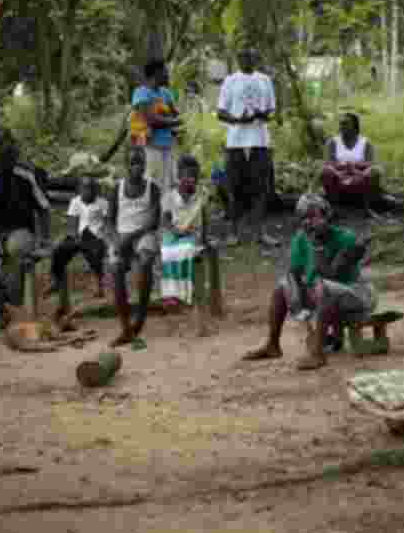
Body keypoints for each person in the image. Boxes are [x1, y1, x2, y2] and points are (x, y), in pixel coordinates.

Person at [243, 194, 374, 370]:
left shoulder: (346, 238)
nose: (311, 221)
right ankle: (273, 344)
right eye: (305, 217)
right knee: (281, 288)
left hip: (354, 298)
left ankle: (317, 354)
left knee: (323, 287)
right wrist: (297, 299)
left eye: (315, 215)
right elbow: (294, 273)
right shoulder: (301, 239)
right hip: (322, 297)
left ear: (326, 215)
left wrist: (318, 246)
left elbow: (332, 275)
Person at [0, 127, 51, 337]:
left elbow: (43, 208)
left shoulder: (25, 174)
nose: (11, 151)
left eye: (12, 147)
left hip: (21, 230)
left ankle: (11, 297)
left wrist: (45, 239)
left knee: (15, 247)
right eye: (6, 148)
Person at [216, 47, 279, 248]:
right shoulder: (230, 81)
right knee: (234, 188)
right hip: (235, 141)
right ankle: (233, 232)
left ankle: (260, 232)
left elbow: (271, 110)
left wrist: (263, 115)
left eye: (250, 55)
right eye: (242, 55)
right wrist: (237, 119)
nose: (246, 58)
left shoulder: (265, 80)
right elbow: (220, 112)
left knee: (260, 188)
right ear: (237, 58)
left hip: (260, 140)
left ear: (256, 57)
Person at [105, 148, 161, 348]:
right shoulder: (116, 189)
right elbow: (109, 221)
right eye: (133, 163)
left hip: (143, 235)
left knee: (145, 261)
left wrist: (130, 237)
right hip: (121, 236)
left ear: (145, 164)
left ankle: (140, 318)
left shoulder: (152, 188)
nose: (137, 166)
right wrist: (115, 240)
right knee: (115, 267)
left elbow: (153, 222)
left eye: (140, 163)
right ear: (126, 165)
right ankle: (125, 328)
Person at [101, 60, 183, 195]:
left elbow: (176, 114)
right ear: (156, 73)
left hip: (167, 144)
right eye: (165, 72)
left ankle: (165, 212)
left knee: (170, 182)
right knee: (153, 181)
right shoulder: (141, 93)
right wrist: (173, 122)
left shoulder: (166, 93)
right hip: (148, 145)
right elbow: (150, 119)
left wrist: (177, 121)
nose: (168, 74)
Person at [46, 176, 109, 300]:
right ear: (79, 189)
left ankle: (98, 284)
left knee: (95, 252)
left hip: (96, 236)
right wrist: (74, 235)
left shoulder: (103, 203)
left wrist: (105, 237)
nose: (88, 191)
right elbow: (72, 222)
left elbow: (107, 224)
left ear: (96, 190)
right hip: (78, 236)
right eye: (85, 188)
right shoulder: (75, 202)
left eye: (91, 188)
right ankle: (55, 279)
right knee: (60, 250)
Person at [160, 155, 209, 308]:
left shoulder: (201, 195)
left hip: (192, 235)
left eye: (195, 176)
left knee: (185, 250)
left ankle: (183, 293)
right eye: (188, 176)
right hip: (173, 234)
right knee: (167, 251)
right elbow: (166, 220)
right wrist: (175, 231)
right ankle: (170, 294)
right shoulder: (169, 196)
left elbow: (205, 220)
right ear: (179, 176)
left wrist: (204, 239)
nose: (192, 180)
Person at [321, 112, 383, 215]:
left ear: (354, 126)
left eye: (345, 124)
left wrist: (354, 167)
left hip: (359, 175)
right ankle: (334, 208)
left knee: (375, 171)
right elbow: (328, 163)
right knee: (325, 171)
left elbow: (371, 163)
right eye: (340, 124)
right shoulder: (333, 142)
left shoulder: (365, 143)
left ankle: (368, 208)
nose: (341, 126)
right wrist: (343, 166)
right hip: (339, 175)